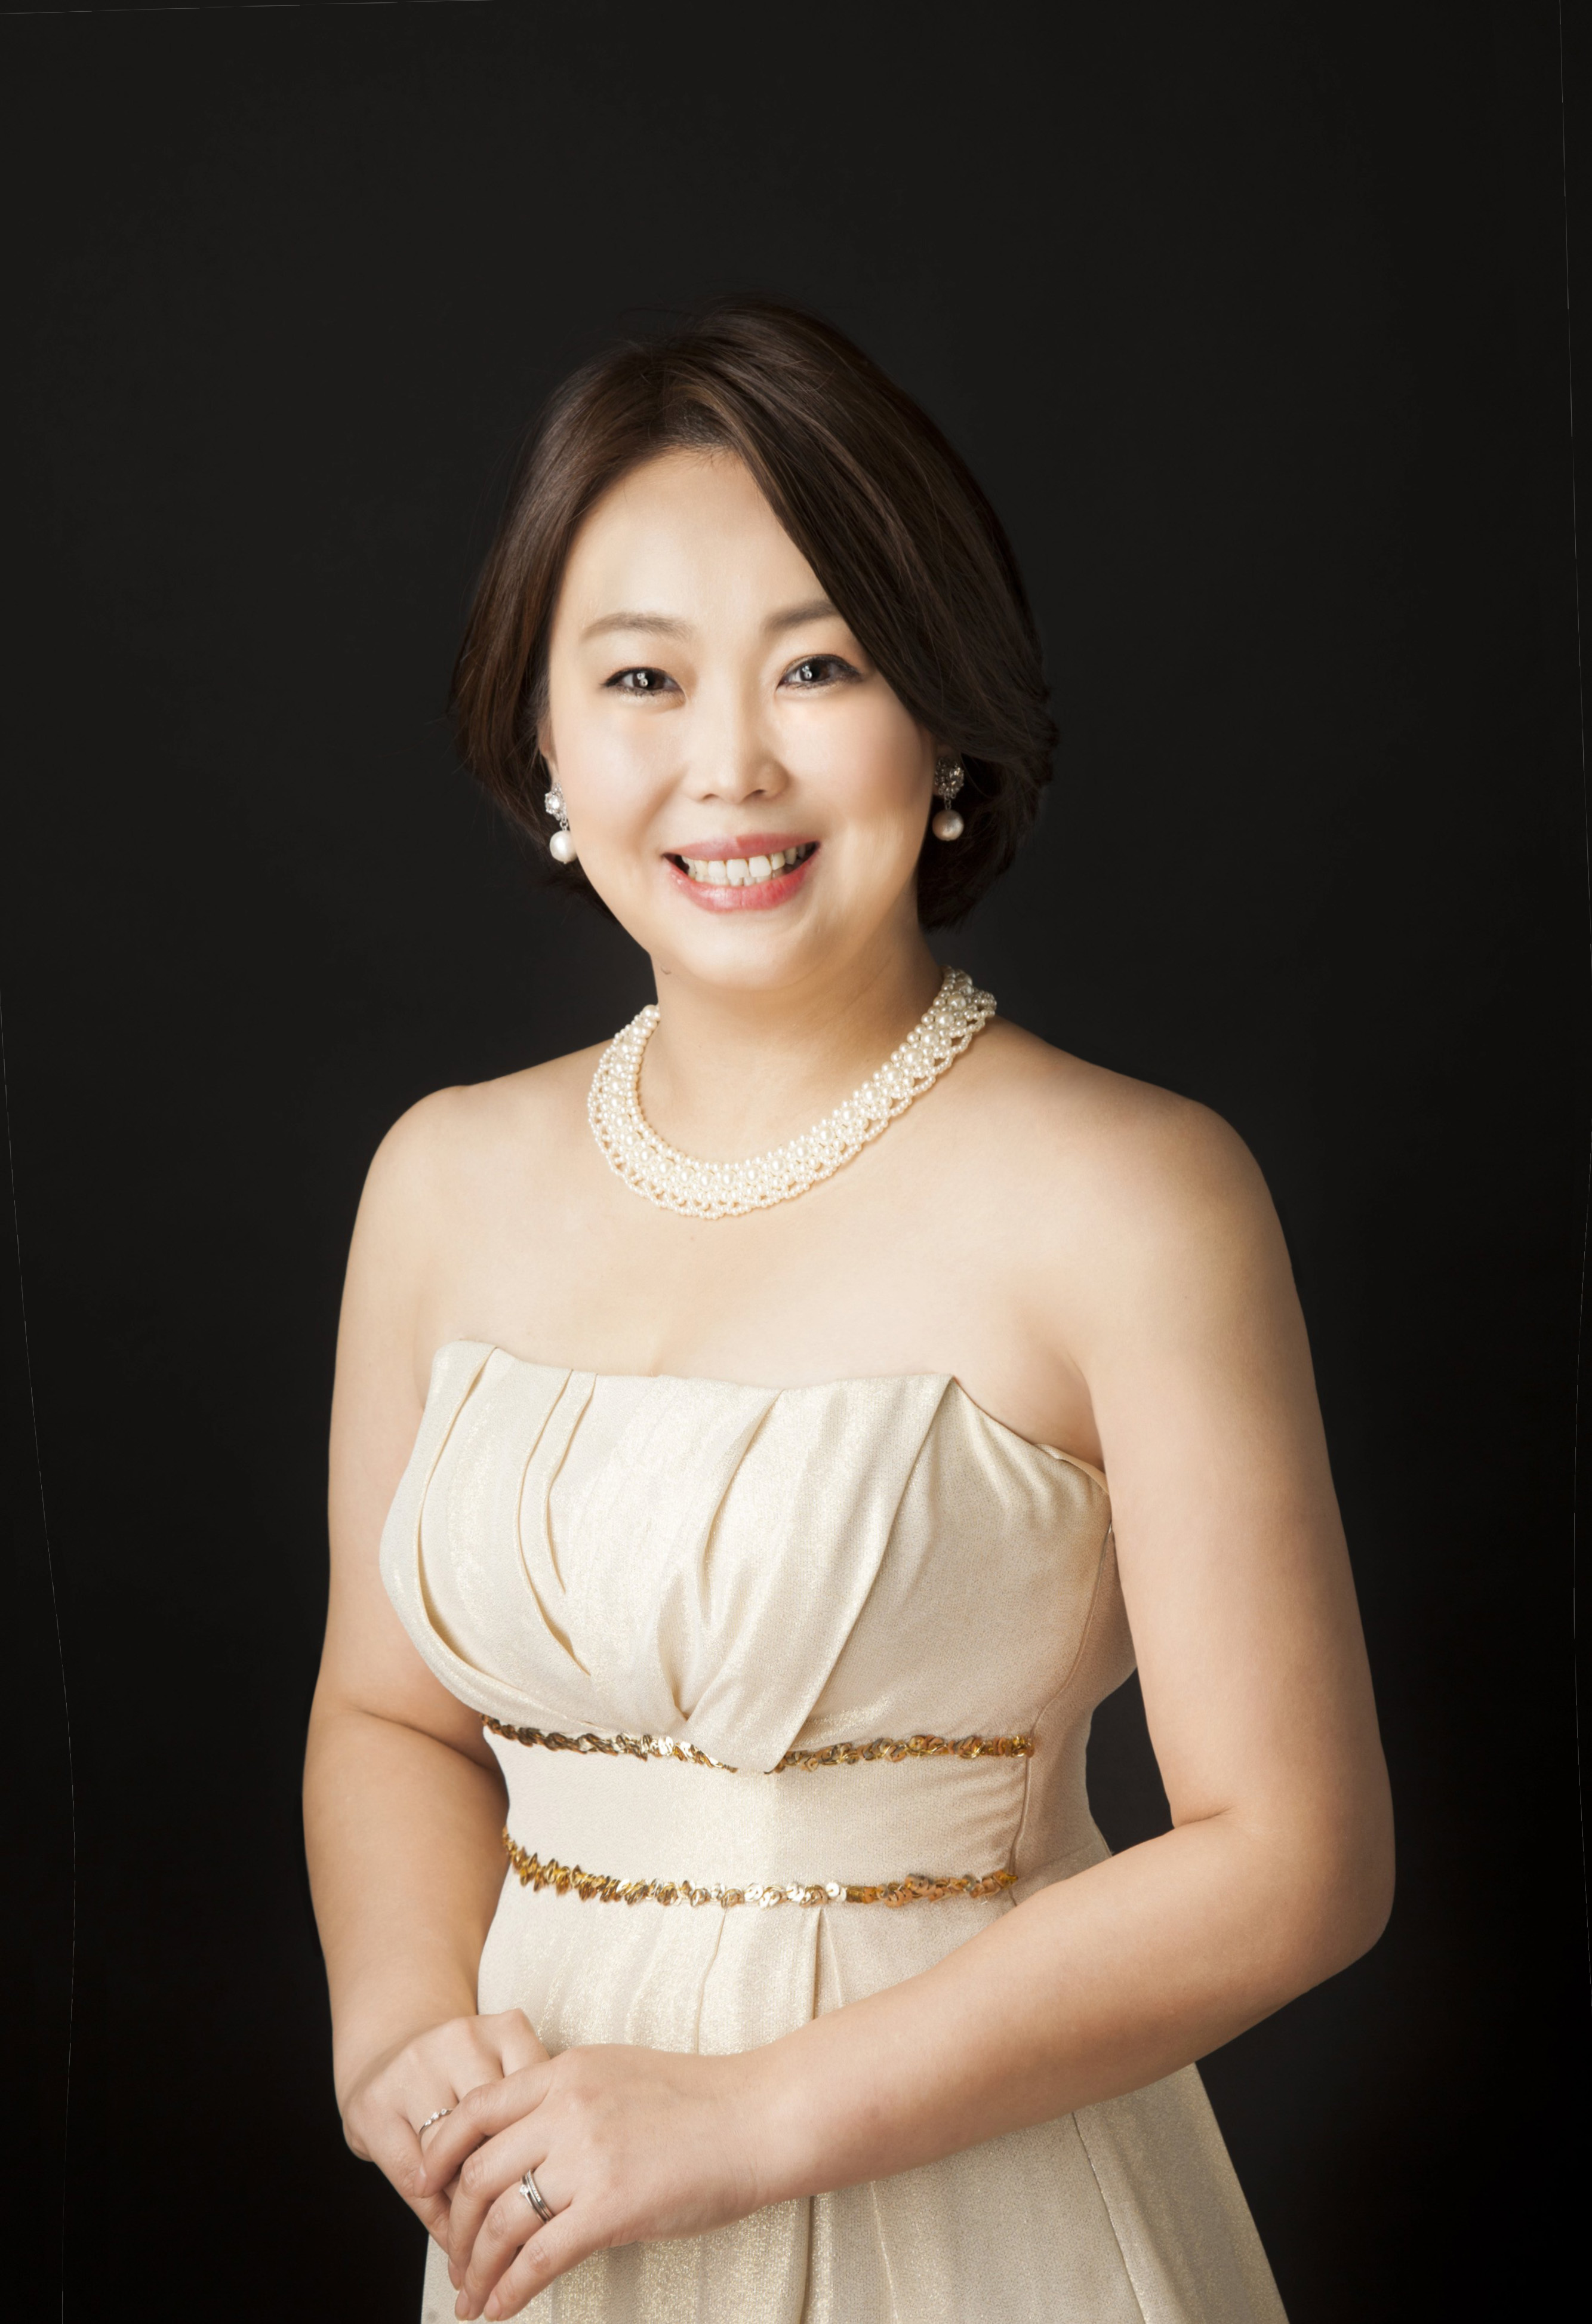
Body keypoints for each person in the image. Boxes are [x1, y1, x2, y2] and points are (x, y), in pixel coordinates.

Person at [303, 298, 1393, 2324]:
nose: (728, 764)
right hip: (540, 2212)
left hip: (977, 2217)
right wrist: (399, 2032)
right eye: (641, 678)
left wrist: (747, 2119)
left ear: (943, 722)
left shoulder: (1137, 1194)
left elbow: (1295, 1856)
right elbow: (387, 1715)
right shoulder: (441, 1178)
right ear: (543, 740)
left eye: (819, 666)